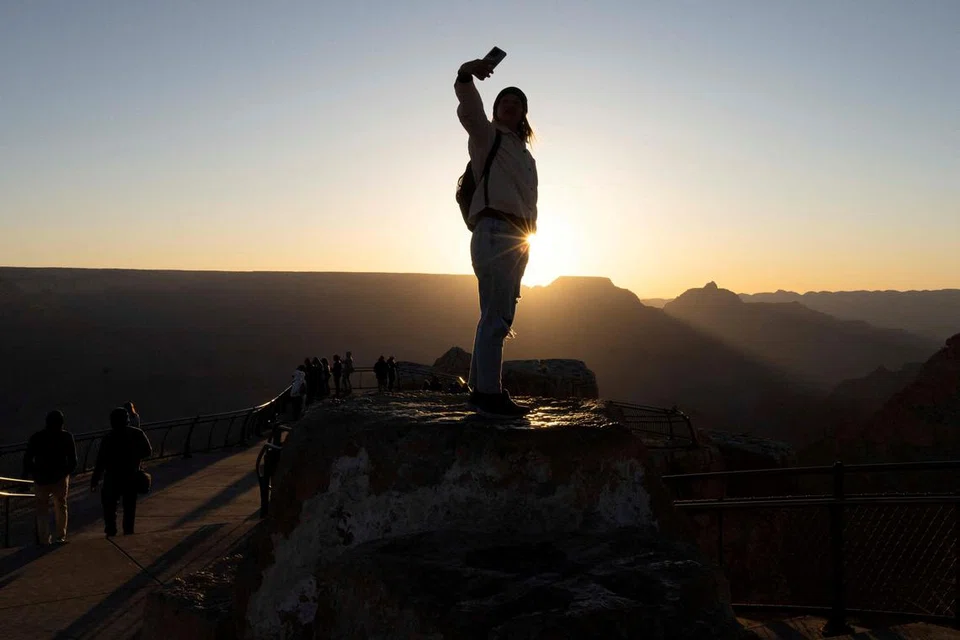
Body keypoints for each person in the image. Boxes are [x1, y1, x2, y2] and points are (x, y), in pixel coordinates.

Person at [455, 55, 538, 417]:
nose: (511, 105)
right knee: (498, 316)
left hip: (517, 237)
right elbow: (470, 110)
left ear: (524, 113)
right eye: (505, 100)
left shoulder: (525, 154)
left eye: (517, 102)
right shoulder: (488, 137)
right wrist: (465, 76)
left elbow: (530, 202)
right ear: (496, 109)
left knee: (493, 312)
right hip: (493, 230)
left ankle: (479, 387)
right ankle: (489, 394)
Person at [91, 407, 152, 537]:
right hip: (131, 474)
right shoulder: (137, 433)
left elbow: (100, 461)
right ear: (127, 420)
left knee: (110, 506)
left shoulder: (108, 437)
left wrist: (95, 480)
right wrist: (135, 457)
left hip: (112, 477)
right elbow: (148, 451)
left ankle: (111, 530)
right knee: (129, 506)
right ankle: (128, 531)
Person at [22, 410, 77, 544]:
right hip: (60, 478)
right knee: (61, 506)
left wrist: (34, 473)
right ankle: (60, 536)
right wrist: (64, 473)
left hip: (41, 479)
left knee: (42, 510)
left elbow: (27, 459)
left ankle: (44, 538)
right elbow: (73, 461)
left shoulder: (37, 437)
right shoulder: (67, 437)